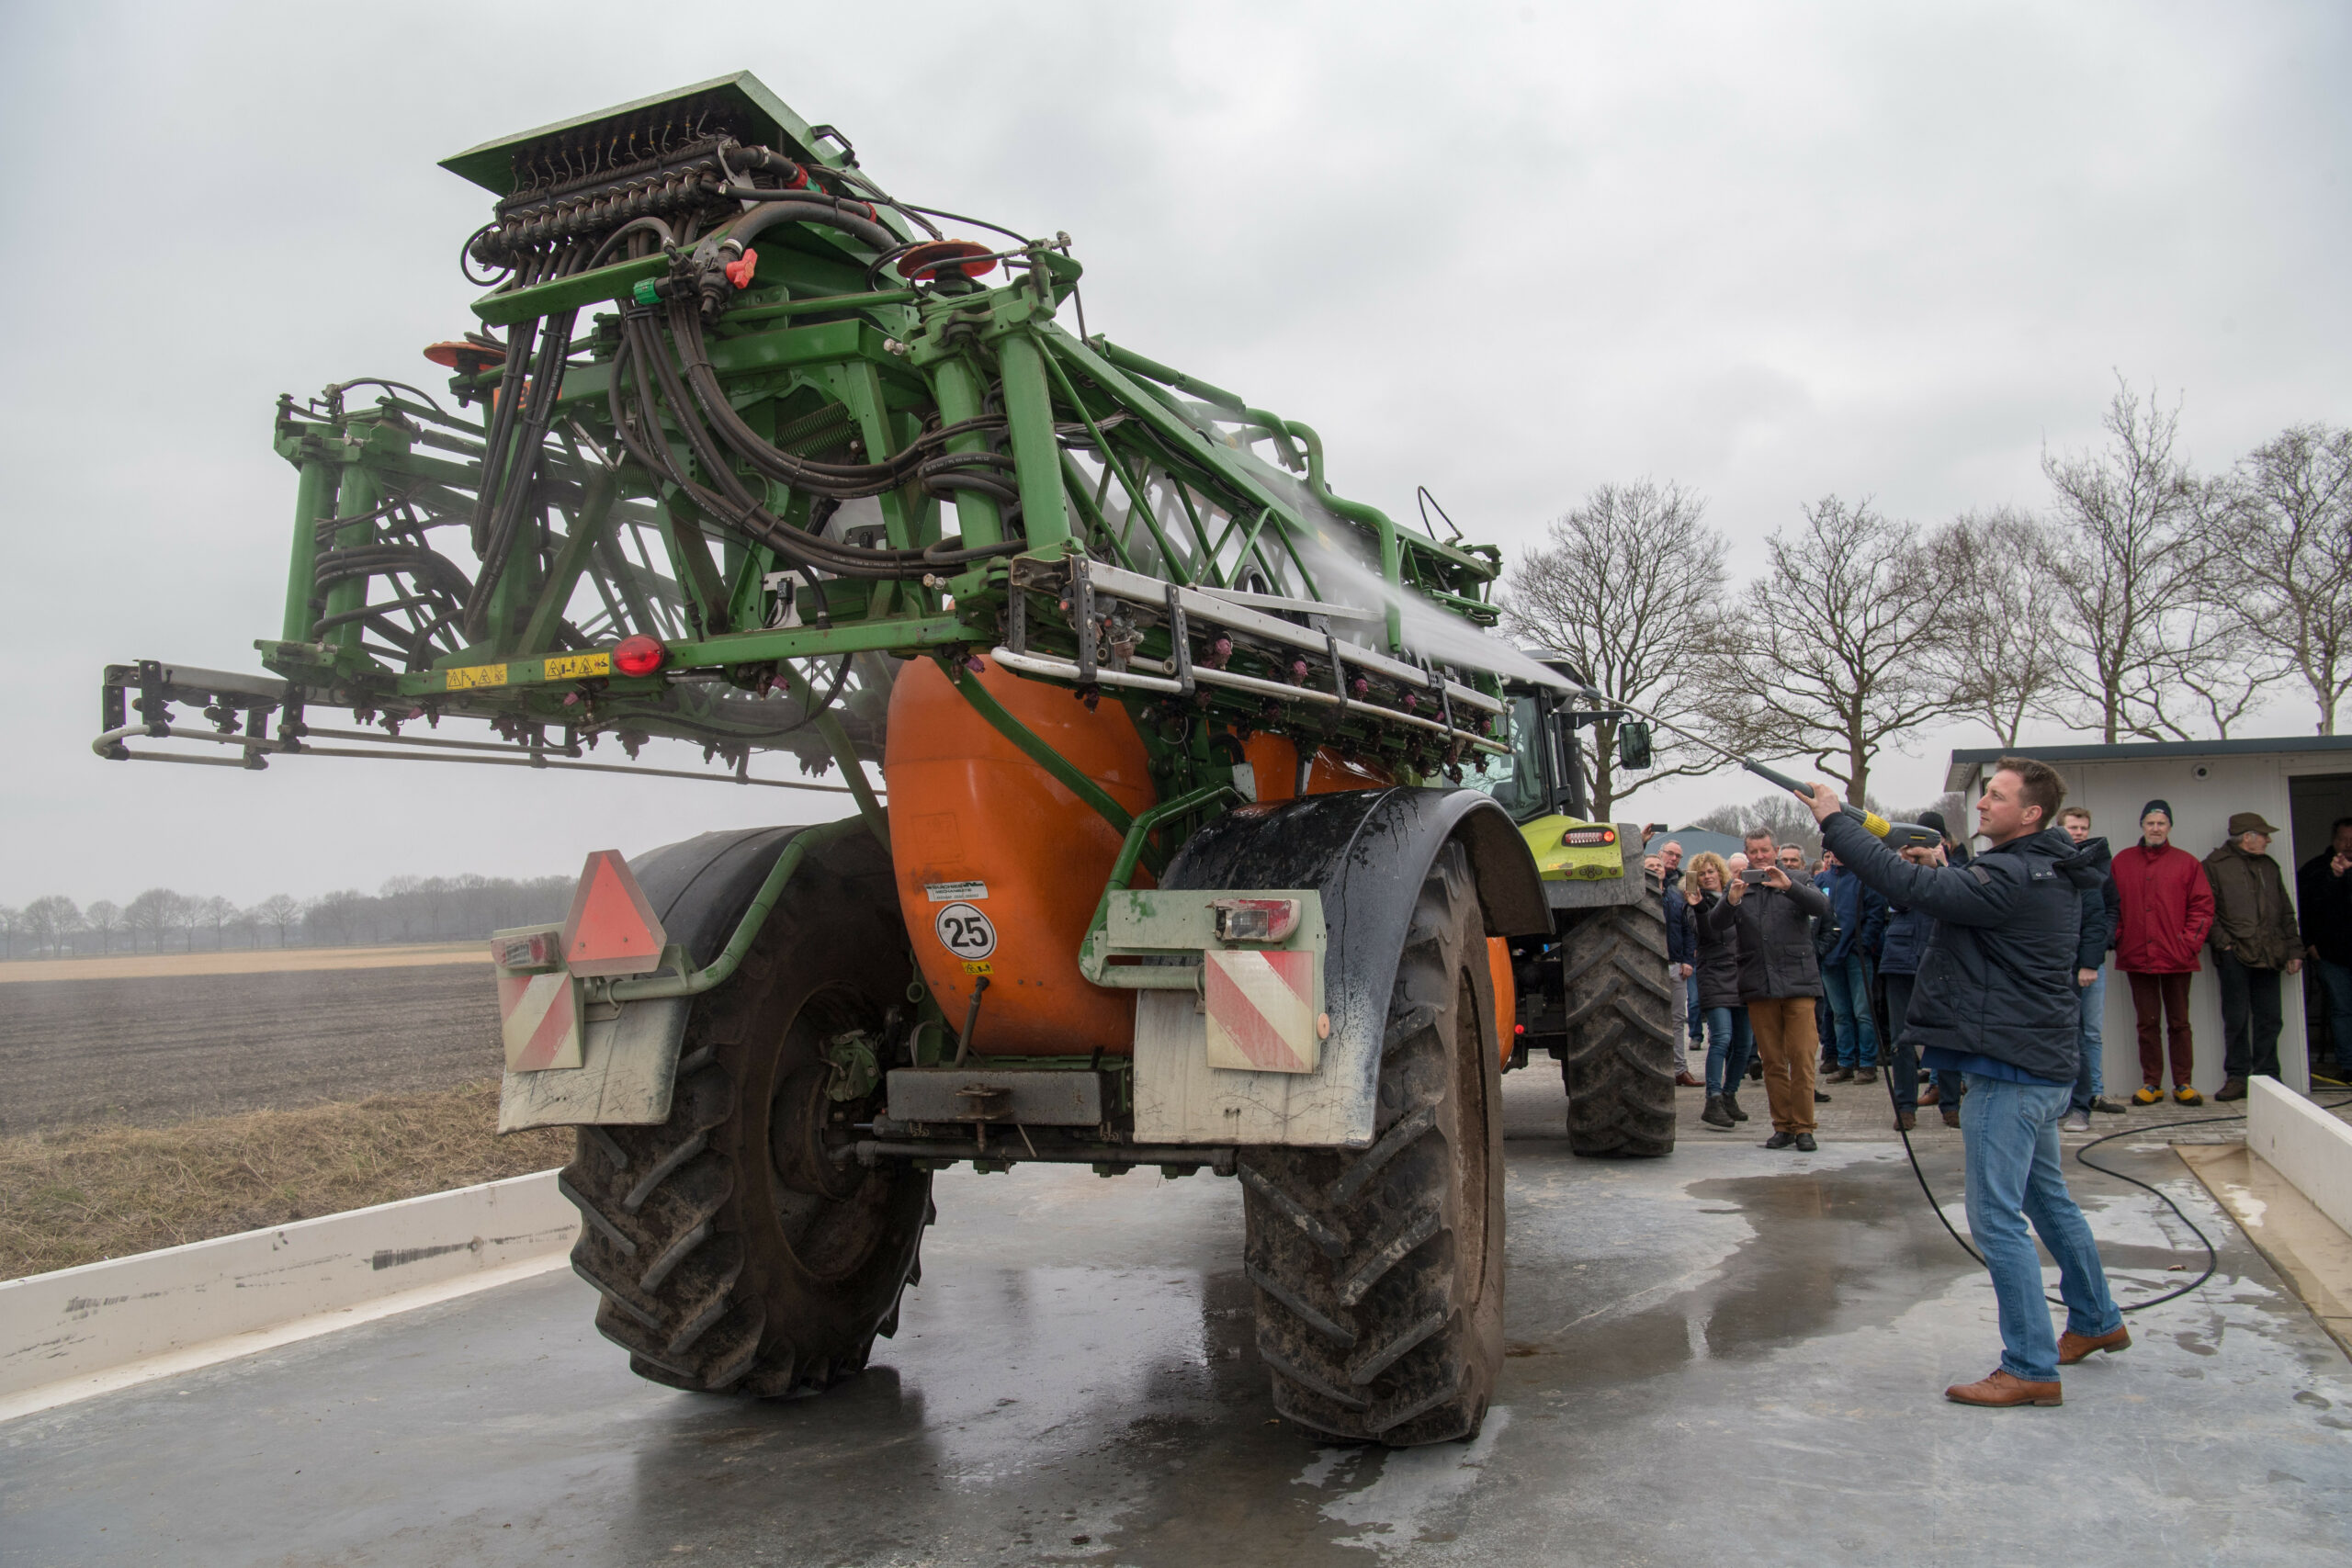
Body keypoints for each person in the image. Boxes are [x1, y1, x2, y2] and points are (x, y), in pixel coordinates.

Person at [1802, 757, 2124, 1408]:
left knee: (1996, 1218)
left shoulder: (2012, 874)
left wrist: (1834, 819)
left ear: (2031, 813)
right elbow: (1969, 898)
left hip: (2008, 1072)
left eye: (1997, 796)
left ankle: (2030, 1364)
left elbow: (1905, 885)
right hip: (2039, 1064)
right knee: (2048, 1199)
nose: (1982, 805)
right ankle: (2095, 1319)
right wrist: (1944, 871)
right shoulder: (2044, 865)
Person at [1720, 829, 1832, 1151]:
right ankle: (1782, 1126)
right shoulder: (1739, 885)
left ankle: (1804, 1127)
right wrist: (1731, 901)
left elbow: (1822, 907)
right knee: (1771, 1061)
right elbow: (1716, 925)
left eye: (1765, 850)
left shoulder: (1796, 878)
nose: (1760, 857)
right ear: (1747, 853)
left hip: (1798, 983)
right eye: (1754, 851)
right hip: (1759, 984)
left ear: (1776, 850)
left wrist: (1790, 887)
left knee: (1802, 1057)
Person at [2112, 800, 2214, 1104]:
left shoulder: (2187, 863)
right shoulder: (2122, 861)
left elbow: (2203, 907)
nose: (2155, 828)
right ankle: (2151, 1083)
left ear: (2170, 827)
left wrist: (2189, 943)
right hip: (2136, 955)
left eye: (2161, 823)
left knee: (2179, 1023)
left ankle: (2183, 1083)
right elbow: (2112, 905)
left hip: (2177, 957)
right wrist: (2119, 937)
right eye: (2150, 823)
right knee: (2147, 1023)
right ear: (2142, 826)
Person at [2204, 812, 2305, 1100]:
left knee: (2270, 1018)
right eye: (2263, 834)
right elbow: (2205, 910)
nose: (2268, 839)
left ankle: (2268, 1079)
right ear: (2247, 837)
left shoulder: (2269, 867)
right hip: (2234, 954)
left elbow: (2286, 911)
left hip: (2271, 952)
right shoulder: (2214, 866)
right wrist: (2223, 943)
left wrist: (2294, 949)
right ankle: (2237, 1078)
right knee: (2236, 1018)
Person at [2056, 807, 2123, 1133]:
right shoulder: (2052, 861)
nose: (2079, 832)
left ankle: (2082, 1105)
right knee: (2061, 1035)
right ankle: (2062, 1103)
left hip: (2081, 964)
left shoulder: (2093, 868)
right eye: (2073, 827)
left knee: (2082, 1035)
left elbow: (2099, 917)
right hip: (2053, 964)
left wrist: (2089, 961)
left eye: (2083, 827)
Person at [1682, 852, 1754, 1129]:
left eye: (1712, 871)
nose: (1708, 876)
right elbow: (1707, 933)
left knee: (1744, 1044)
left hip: (1742, 975)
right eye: (1702, 874)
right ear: (1695, 879)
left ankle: (1729, 1095)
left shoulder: (1734, 896)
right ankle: (1712, 1099)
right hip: (1714, 974)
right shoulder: (1693, 904)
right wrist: (1699, 908)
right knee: (1722, 1038)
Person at [1817, 846, 1888, 1086]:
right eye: (1831, 850)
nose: (1836, 854)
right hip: (1829, 957)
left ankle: (1867, 1064)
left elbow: (1876, 914)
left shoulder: (1865, 880)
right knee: (1840, 1014)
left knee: (1863, 1013)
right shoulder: (1821, 880)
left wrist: (1863, 945)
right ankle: (1845, 1063)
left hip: (1856, 957)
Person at [2298, 818, 2352, 1076]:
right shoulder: (2316, 869)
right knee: (2342, 1010)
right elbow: (2303, 909)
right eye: (2344, 838)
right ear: (2334, 839)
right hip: (2331, 954)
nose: (2348, 844)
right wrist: (2309, 944)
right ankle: (2349, 1065)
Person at [1659, 840, 1702, 1087]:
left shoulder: (1684, 884)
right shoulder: (1642, 884)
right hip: (1649, 965)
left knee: (1677, 1020)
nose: (1674, 858)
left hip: (1677, 963)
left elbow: (1690, 926)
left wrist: (1688, 960)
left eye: (1678, 855)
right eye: (1670, 854)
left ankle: (1679, 1069)